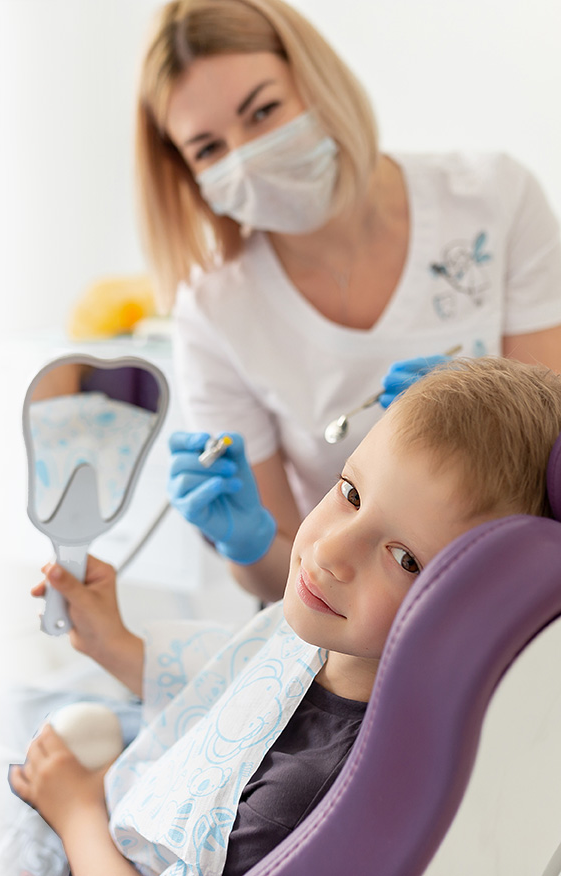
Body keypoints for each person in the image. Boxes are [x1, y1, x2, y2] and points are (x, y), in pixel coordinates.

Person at [10, 356, 561, 876]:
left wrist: (75, 813)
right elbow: (228, 688)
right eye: (350, 494)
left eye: (405, 558)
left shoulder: (303, 797)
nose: (328, 553)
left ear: (475, 613)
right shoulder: (339, 642)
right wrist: (114, 642)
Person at [133, 0, 561, 602]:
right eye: (208, 149)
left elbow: (555, 463)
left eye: (263, 110)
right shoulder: (214, 312)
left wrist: (491, 408)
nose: (246, 158)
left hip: (519, 599)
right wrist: (250, 543)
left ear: (316, 82)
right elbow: (286, 577)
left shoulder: (495, 199)